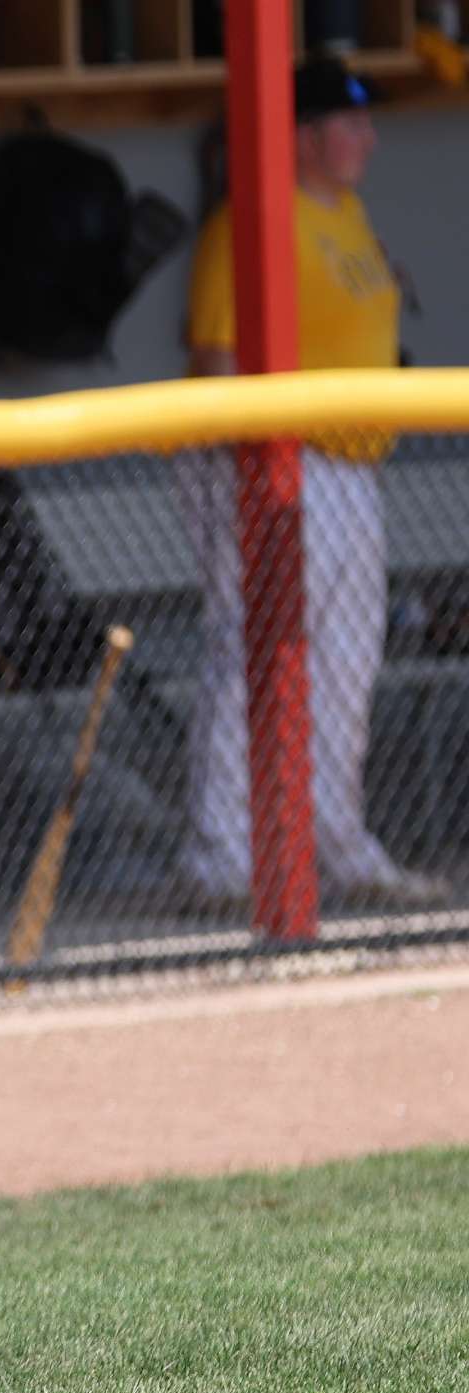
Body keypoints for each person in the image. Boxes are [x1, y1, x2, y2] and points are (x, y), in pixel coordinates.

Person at [177, 57, 449, 910]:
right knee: (253, 651)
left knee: (346, 659)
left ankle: (335, 841)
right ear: (298, 136)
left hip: (351, 466)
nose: (368, 137)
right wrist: (253, 477)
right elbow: (214, 359)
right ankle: (222, 855)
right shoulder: (252, 220)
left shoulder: (348, 214)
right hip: (274, 461)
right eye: (349, 122)